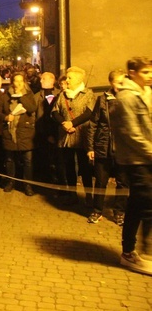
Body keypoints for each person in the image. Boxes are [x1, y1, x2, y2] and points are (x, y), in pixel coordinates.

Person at [109, 57, 152, 275]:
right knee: (147, 205)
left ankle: (128, 252)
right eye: (145, 72)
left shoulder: (145, 93)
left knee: (136, 205)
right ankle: (146, 253)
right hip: (137, 159)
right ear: (133, 72)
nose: (150, 76)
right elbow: (132, 132)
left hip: (147, 157)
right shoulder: (126, 97)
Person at [86, 69, 128, 224]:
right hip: (103, 147)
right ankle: (97, 211)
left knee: (123, 183)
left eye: (123, 82)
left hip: (123, 150)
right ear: (111, 82)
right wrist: (90, 147)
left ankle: (119, 212)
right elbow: (93, 124)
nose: (121, 86)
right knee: (100, 182)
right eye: (118, 82)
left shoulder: (128, 99)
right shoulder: (102, 99)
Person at [52, 66, 95, 206]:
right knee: (69, 166)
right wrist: (64, 123)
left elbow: (89, 113)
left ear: (77, 79)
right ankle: (72, 194)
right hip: (66, 136)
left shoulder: (88, 94)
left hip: (82, 135)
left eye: (70, 78)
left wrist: (72, 123)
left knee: (85, 167)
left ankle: (89, 195)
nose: (67, 80)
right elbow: (55, 112)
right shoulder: (62, 95)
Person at [0, 73, 37, 196]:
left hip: (25, 132)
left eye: (21, 81)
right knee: (10, 159)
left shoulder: (29, 95)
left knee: (27, 160)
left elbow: (31, 108)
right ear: (12, 82)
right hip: (10, 131)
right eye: (16, 81)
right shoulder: (5, 96)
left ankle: (27, 184)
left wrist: (21, 97)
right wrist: (5, 117)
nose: (18, 84)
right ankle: (10, 182)